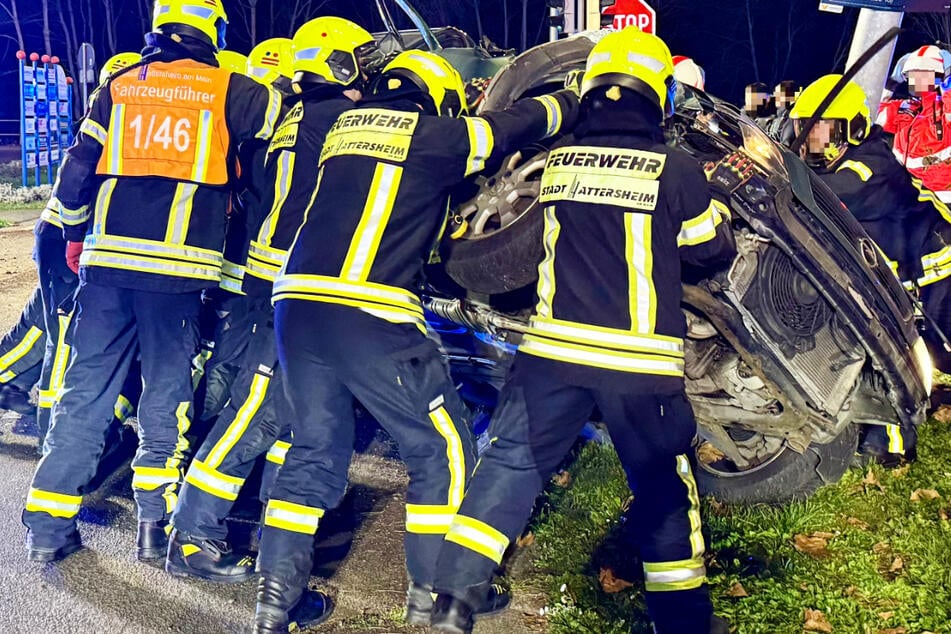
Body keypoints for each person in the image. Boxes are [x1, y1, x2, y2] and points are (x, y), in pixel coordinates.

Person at [252, 50, 579, 633]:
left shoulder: (342, 131)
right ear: (439, 97)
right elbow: (509, 127)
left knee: (312, 452)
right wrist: (569, 100)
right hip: (368, 309)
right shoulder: (435, 138)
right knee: (443, 450)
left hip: (294, 306)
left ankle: (275, 603)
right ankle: (436, 593)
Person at [428, 27, 735, 634]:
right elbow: (709, 253)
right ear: (659, 96)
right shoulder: (674, 168)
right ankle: (681, 622)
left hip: (550, 357)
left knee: (513, 464)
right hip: (638, 367)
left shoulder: (561, 164)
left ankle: (454, 599)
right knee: (661, 488)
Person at [22, 0, 281, 564]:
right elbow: (285, 130)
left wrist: (73, 231)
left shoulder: (117, 86)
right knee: (167, 398)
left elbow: (74, 171)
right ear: (211, 30)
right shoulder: (232, 90)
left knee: (84, 394)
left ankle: (47, 525)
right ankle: (151, 528)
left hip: (106, 267)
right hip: (178, 275)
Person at [166, 17, 378, 590]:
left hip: (275, 282)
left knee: (294, 418)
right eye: (363, 60)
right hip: (287, 289)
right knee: (253, 412)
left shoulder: (291, 116)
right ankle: (192, 533)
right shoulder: (342, 121)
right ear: (340, 64)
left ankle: (274, 534)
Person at [790, 74, 951, 462]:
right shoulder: (841, 163)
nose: (813, 141)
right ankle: (886, 444)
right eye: (806, 129)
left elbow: (828, 192)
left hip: (934, 268)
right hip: (902, 277)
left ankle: (892, 443)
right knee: (893, 350)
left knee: (920, 350)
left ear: (854, 129)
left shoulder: (866, 165)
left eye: (823, 131)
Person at [884, 46, 951, 202]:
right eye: (912, 75)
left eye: (922, 75)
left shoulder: (943, 110)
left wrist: (948, 84)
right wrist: (889, 85)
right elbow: (873, 115)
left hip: (944, 197)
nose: (916, 80)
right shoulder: (905, 107)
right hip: (908, 193)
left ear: (937, 77)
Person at [766, 80, 797, 146]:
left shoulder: (791, 118)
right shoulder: (777, 117)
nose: (774, 97)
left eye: (777, 94)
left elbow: (785, 144)